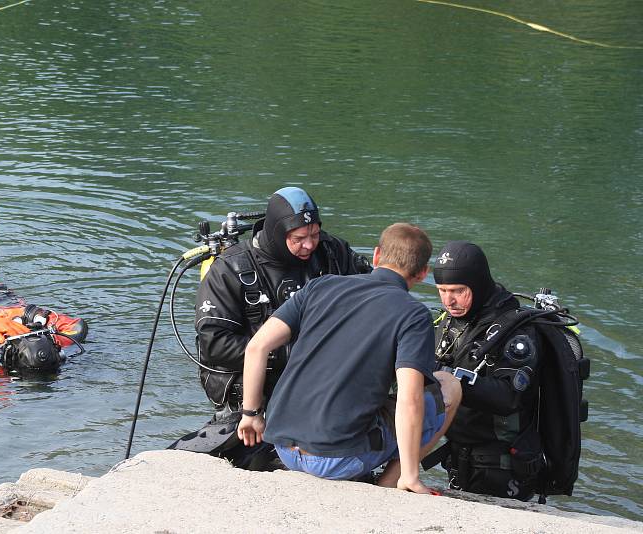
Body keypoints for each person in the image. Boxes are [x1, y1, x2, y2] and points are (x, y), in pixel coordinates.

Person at [238, 223, 461, 491]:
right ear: (423, 273)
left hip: (283, 447)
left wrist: (250, 414)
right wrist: (413, 475)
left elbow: (256, 347)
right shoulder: (413, 315)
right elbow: (410, 397)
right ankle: (397, 481)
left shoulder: (320, 286)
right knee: (449, 385)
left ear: (377, 256)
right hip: (337, 461)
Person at [170, 186, 370, 468]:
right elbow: (213, 344)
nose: (310, 245)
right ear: (277, 232)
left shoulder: (332, 254)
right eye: (299, 238)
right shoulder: (230, 270)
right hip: (254, 389)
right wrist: (290, 353)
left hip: (320, 383)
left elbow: (374, 299)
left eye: (314, 235)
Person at [430, 241, 543, 500]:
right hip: (460, 454)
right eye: (442, 290)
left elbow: (508, 396)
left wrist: (448, 377)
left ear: (479, 284)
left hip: (501, 462)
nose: (449, 300)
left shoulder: (515, 330)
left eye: (458, 290)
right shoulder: (450, 322)